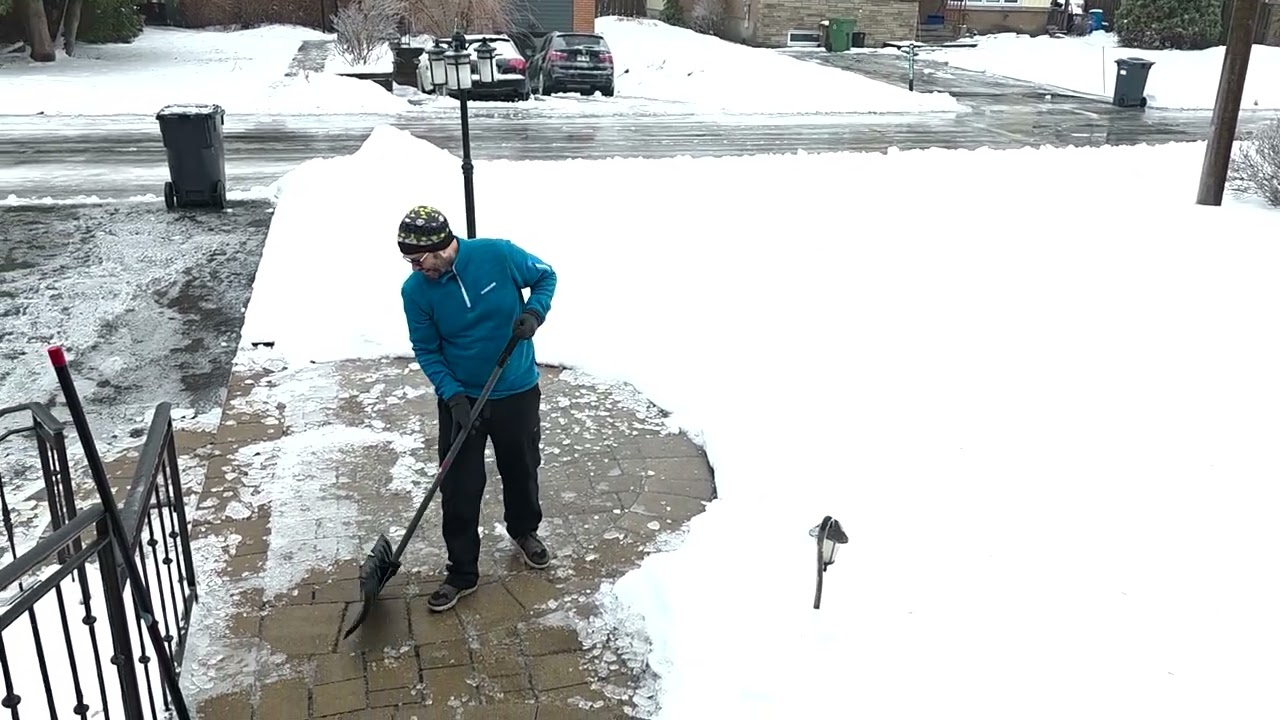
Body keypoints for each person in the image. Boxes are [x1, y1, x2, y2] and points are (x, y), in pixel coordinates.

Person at [397, 205, 558, 612]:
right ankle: (462, 571)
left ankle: (524, 532)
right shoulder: (415, 291)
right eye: (409, 262)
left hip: (516, 387)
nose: (417, 269)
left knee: (521, 467)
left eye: (420, 259)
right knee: (459, 486)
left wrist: (534, 313)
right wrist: (453, 396)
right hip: (462, 396)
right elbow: (427, 349)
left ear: (442, 247)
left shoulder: (497, 254)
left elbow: (545, 275)